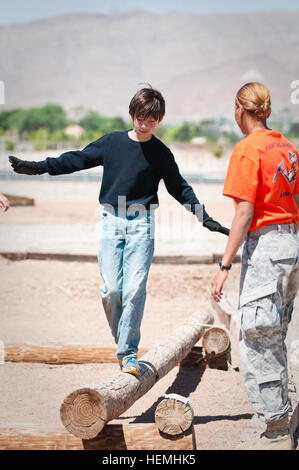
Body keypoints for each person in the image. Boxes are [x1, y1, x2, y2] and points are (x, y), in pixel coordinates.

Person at [9, 85, 229, 376]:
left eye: (151, 121)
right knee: (112, 289)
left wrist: (203, 217)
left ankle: (128, 353)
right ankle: (122, 341)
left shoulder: (161, 153)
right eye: (140, 118)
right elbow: (75, 159)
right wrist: (37, 167)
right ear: (132, 114)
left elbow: (179, 187)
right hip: (112, 220)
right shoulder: (112, 143)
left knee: (135, 289)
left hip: (142, 223)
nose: (144, 125)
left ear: (159, 121)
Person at [211, 82, 299, 450]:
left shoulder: (249, 149)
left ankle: (275, 426)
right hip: (292, 243)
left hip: (267, 246)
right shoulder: (288, 147)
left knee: (257, 335)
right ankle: (279, 413)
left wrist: (224, 264)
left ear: (240, 111)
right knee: (275, 331)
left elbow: (245, 212)